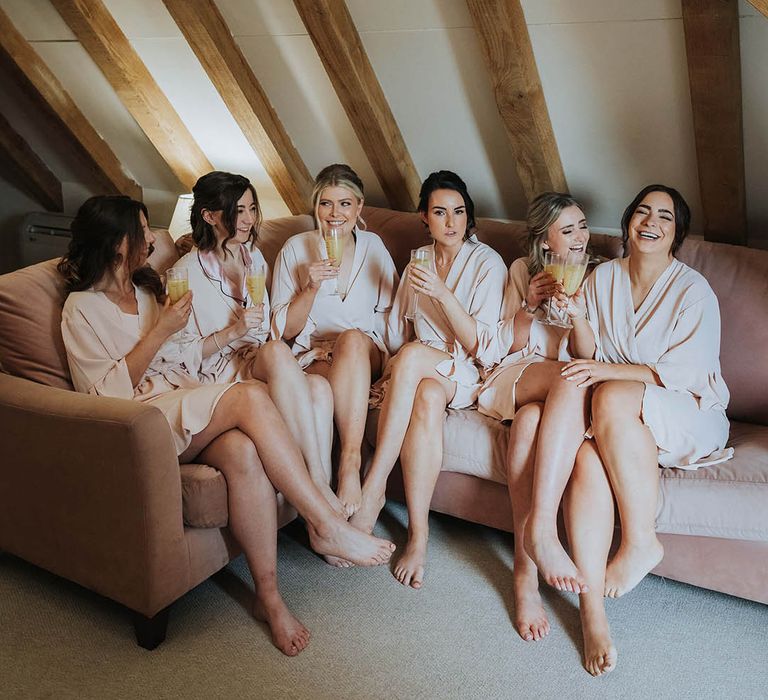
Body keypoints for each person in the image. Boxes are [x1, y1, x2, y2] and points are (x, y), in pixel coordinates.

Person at [58, 196, 395, 657]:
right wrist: (160, 333)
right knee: (251, 396)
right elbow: (103, 397)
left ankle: (270, 599)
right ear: (119, 245)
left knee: (243, 453)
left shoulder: (148, 290)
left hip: (184, 397)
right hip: (141, 420)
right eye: (143, 232)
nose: (154, 239)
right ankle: (324, 521)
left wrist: (215, 332)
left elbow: (186, 356)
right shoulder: (80, 309)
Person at [562, 184, 731, 600]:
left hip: (689, 411)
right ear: (628, 222)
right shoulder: (603, 277)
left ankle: (641, 542)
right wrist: (579, 318)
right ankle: (588, 598)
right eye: (642, 212)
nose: (651, 222)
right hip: (623, 416)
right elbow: (588, 353)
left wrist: (606, 371)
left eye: (664, 216)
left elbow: (684, 373)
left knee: (611, 395)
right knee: (587, 451)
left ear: (678, 233)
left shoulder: (694, 292)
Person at [476, 193, 617, 675]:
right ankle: (540, 531)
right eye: (569, 230)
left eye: (583, 226)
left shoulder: (600, 275)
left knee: (533, 424)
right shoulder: (521, 271)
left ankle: (524, 577)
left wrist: (576, 312)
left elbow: (589, 350)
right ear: (544, 239)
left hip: (561, 392)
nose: (581, 237)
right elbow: (509, 347)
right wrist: (530, 307)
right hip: (520, 375)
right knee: (567, 376)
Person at [351, 170, 507, 590]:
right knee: (425, 395)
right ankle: (418, 537)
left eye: (459, 212)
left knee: (416, 357)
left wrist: (441, 293)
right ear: (425, 217)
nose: (451, 221)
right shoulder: (418, 260)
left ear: (468, 216)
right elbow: (399, 331)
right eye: (440, 212)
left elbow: (483, 346)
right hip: (427, 375)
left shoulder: (487, 263)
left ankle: (374, 487)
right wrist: (393, 371)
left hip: (470, 371)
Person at [172, 171, 344, 523]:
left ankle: (318, 495)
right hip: (219, 373)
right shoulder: (185, 274)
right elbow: (180, 356)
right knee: (288, 361)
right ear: (209, 215)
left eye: (252, 208)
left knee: (320, 387)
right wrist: (233, 331)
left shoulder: (254, 259)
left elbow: (266, 329)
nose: (249, 219)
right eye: (239, 211)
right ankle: (317, 488)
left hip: (255, 359)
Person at [270, 164, 399, 517]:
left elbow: (392, 312)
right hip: (316, 355)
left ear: (359, 208)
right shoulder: (296, 249)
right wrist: (310, 287)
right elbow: (285, 331)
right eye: (326, 204)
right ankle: (324, 504)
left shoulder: (374, 246)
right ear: (316, 208)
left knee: (354, 341)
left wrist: (391, 365)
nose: (335, 214)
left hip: (365, 350)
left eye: (345, 204)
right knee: (319, 391)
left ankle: (350, 462)